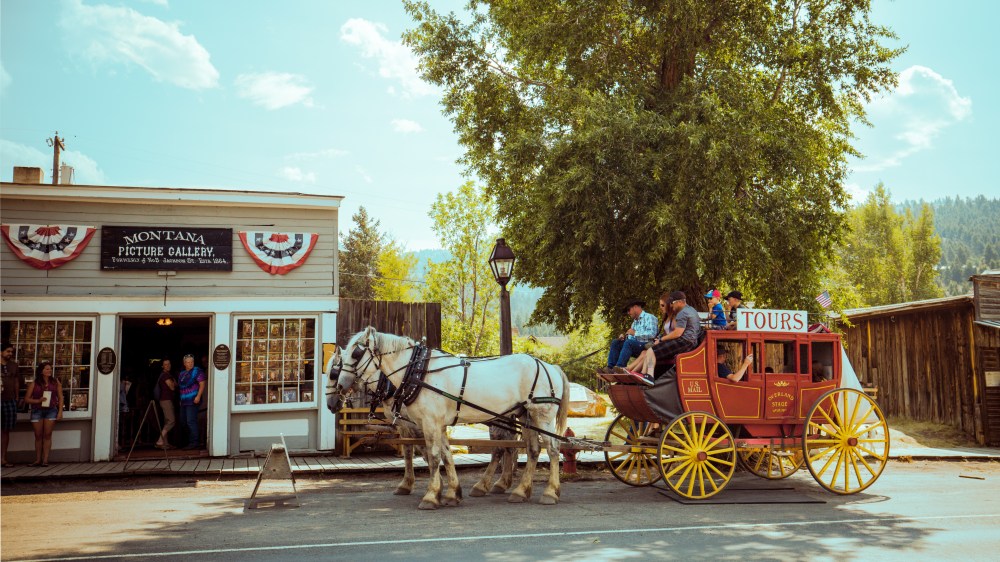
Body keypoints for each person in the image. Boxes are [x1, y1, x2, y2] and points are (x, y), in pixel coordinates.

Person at [633, 291, 703, 385]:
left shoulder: (682, 313)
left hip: (683, 341)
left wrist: (661, 340)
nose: (670, 305)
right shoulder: (692, 310)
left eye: (672, 303)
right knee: (650, 351)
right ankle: (643, 374)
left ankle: (649, 376)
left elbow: (678, 333)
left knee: (651, 351)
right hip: (692, 342)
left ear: (679, 302)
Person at [600, 299, 658, 373]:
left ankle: (619, 368)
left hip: (647, 346)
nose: (628, 313)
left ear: (635, 307)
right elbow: (631, 338)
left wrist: (635, 333)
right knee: (616, 342)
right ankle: (610, 368)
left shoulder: (650, 317)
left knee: (629, 343)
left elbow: (652, 334)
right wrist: (624, 338)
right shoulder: (634, 323)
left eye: (628, 310)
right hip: (635, 345)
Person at [23, 361, 62, 467]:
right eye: (47, 369)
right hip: (37, 411)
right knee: (38, 436)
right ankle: (37, 459)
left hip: (51, 410)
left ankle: (45, 460)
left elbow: (61, 397)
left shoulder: (55, 382)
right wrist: (38, 401)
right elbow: (26, 399)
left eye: (50, 369)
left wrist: (60, 412)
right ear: (41, 371)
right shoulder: (34, 383)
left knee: (47, 435)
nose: (49, 371)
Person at [177, 354, 206, 450]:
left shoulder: (197, 371)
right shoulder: (182, 374)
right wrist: (181, 400)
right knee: (183, 421)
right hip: (184, 401)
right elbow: (181, 388)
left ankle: (194, 442)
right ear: (184, 363)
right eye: (188, 362)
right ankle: (189, 440)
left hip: (193, 400)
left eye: (192, 362)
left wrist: (198, 396)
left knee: (191, 421)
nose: (190, 364)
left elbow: (202, 384)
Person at [1, 342, 21, 467]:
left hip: (9, 401)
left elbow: (16, 382)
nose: (10, 354)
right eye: (8, 351)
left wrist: (17, 397)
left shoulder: (13, 365)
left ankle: (2, 458)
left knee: (5, 431)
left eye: (11, 352)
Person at [155, 358, 177, 449]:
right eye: (166, 364)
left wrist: (173, 383)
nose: (168, 366)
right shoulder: (165, 376)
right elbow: (172, 387)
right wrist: (173, 382)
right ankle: (160, 440)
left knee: (167, 421)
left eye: (169, 364)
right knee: (171, 421)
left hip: (165, 400)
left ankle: (165, 443)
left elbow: (175, 384)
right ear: (162, 366)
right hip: (166, 400)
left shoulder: (167, 375)